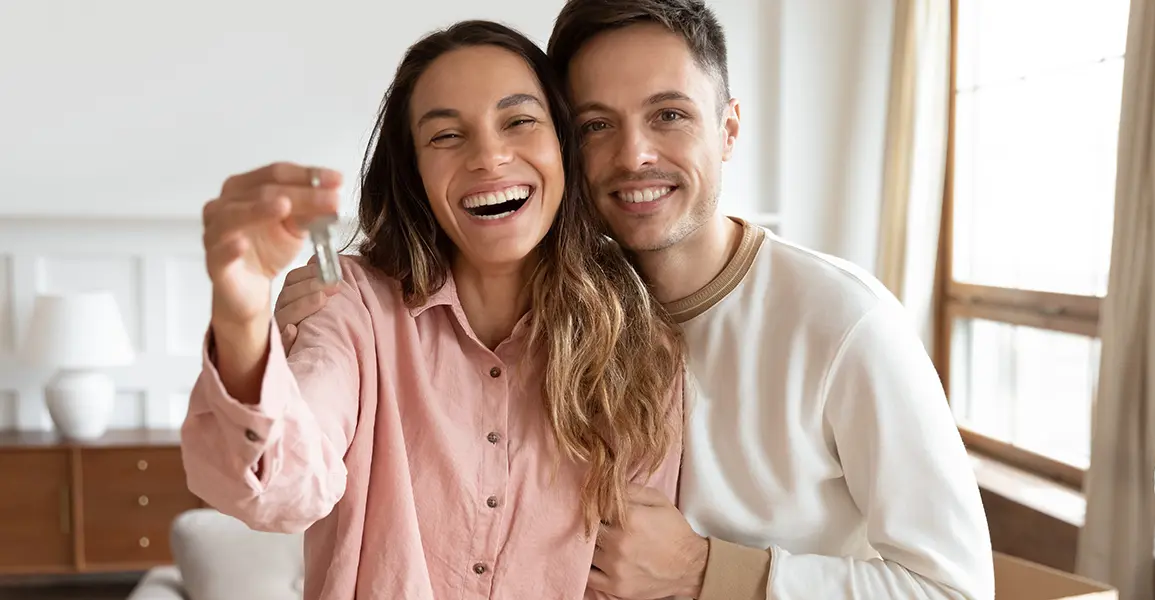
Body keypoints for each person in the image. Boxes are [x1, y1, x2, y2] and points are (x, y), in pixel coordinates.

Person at [279, 1, 995, 600]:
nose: (633, 156)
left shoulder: (843, 323)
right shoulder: (554, 315)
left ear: (729, 129)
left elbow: (956, 590)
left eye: (670, 116)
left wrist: (711, 571)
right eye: (595, 125)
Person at [182, 19, 686, 600]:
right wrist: (241, 314)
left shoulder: (636, 336)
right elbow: (280, 487)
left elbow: (636, 577)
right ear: (415, 173)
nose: (490, 157)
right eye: (446, 136)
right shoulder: (351, 306)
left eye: (519, 121)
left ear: (563, 147)